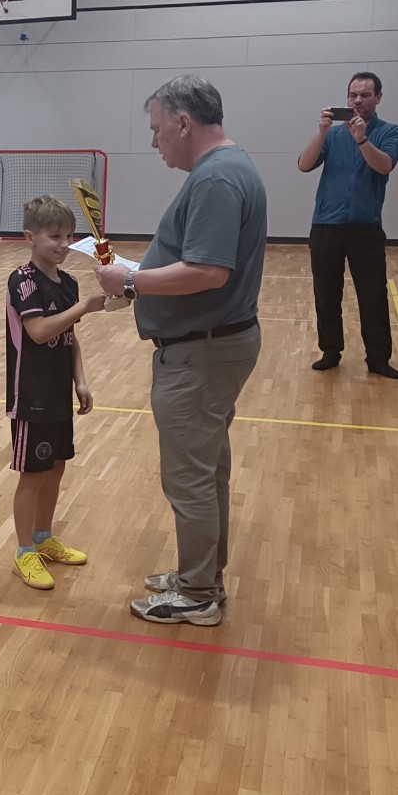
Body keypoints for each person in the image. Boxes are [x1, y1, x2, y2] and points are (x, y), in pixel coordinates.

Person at [96, 74, 266, 626]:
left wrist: (130, 281)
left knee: (190, 477)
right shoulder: (228, 168)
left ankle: (197, 594)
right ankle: (203, 575)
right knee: (207, 471)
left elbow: (208, 271)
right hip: (214, 346)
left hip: (201, 353)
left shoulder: (216, 177)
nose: (154, 141)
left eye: (157, 129)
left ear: (184, 122)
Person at [6, 196, 103, 590]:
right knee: (32, 473)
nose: (64, 244)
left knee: (56, 467)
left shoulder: (69, 283)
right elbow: (39, 331)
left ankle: (44, 538)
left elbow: (68, 336)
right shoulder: (23, 281)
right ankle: (23, 552)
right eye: (55, 236)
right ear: (30, 237)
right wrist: (85, 307)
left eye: (68, 236)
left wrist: (80, 381)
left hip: (59, 392)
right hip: (31, 395)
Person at [297, 71, 398, 378]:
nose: (357, 101)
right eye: (353, 95)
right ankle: (330, 351)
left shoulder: (390, 131)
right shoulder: (332, 135)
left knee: (373, 296)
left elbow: (384, 165)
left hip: (366, 228)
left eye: (365, 95)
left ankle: (378, 359)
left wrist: (362, 140)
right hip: (326, 225)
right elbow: (304, 164)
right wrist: (321, 132)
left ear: (378, 98)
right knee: (326, 293)